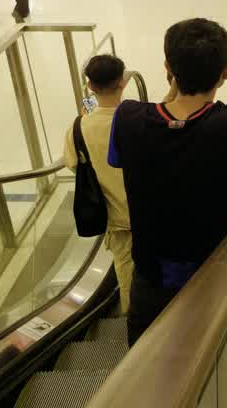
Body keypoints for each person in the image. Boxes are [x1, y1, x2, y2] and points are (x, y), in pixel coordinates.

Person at [109, 18, 227, 344]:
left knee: (143, 365)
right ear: (226, 72)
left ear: (167, 67)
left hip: (150, 277)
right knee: (209, 357)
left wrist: (174, 87)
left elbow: (147, 138)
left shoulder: (128, 118)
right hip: (213, 274)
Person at [64, 54, 133, 312]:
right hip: (151, 210)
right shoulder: (137, 117)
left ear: (90, 86)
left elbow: (73, 164)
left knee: (126, 273)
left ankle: (137, 335)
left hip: (117, 219)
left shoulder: (79, 127)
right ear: (122, 83)